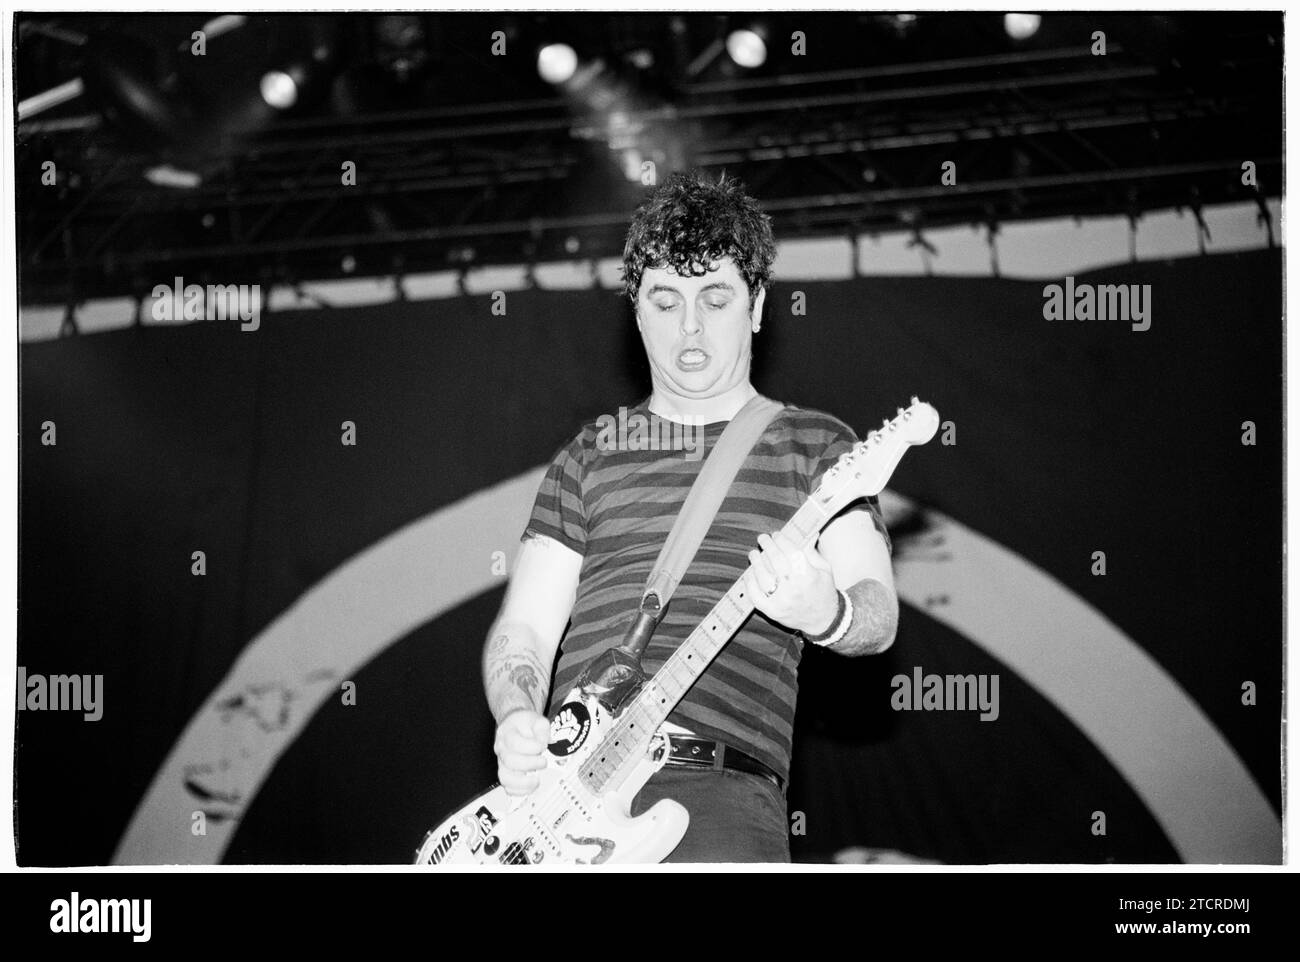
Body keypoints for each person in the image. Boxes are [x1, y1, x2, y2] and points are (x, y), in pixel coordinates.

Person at [481, 171, 898, 862]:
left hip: (720, 799)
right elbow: (524, 629)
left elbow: (877, 614)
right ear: (637, 312)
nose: (691, 326)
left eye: (716, 297)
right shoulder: (587, 456)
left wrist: (827, 612)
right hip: (560, 807)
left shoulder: (818, 447)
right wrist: (516, 716)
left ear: (757, 305)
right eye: (666, 301)